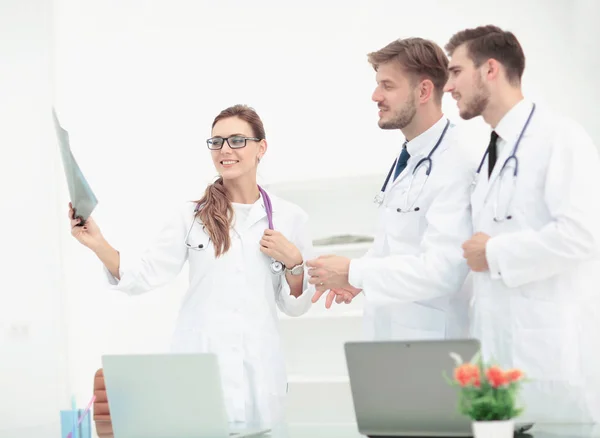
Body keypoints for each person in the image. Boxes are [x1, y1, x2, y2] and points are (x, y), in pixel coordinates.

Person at [68, 104, 314, 428]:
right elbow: (143, 275)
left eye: (237, 140)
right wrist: (98, 243)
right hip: (201, 365)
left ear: (261, 147)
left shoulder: (290, 217)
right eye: (217, 142)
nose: (225, 150)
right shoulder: (190, 216)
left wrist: (294, 262)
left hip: (260, 369)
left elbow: (295, 306)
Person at [444, 25, 600, 423]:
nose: (448, 86)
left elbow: (582, 236)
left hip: (552, 364)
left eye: (456, 72)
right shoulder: (493, 150)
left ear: (490, 69)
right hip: (500, 365)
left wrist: (493, 252)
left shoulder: (560, 138)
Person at [307, 37, 475, 341]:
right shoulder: (409, 157)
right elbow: (394, 245)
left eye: (387, 85)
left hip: (435, 344)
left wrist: (354, 272)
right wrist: (360, 278)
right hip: (391, 337)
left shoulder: (457, 162)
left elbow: (443, 271)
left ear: (423, 90)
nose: (375, 96)